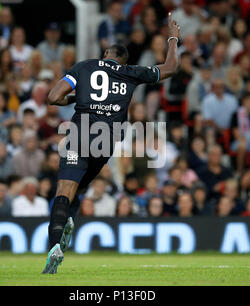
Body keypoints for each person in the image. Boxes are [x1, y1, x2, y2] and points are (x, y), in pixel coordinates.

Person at [41, 14, 181, 274]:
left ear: (105, 53)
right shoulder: (131, 73)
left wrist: (76, 99)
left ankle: (54, 247)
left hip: (82, 133)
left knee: (64, 190)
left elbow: (52, 97)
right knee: (78, 189)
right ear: (124, 61)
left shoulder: (84, 67)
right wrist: (172, 37)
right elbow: (171, 67)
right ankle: (69, 221)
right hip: (106, 141)